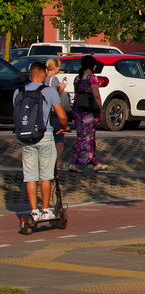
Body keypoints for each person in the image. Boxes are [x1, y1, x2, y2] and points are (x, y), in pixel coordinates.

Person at [14, 61, 69, 220]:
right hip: (45, 136)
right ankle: (45, 210)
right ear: (44, 74)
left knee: (30, 176)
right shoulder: (49, 91)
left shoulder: (19, 91)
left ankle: (34, 211)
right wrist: (64, 127)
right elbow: (62, 116)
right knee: (46, 175)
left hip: (26, 137)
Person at [67, 55, 106, 172]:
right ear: (92, 66)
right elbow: (96, 95)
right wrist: (100, 109)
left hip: (78, 110)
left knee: (89, 137)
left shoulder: (77, 78)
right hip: (89, 112)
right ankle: (73, 163)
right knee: (84, 138)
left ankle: (95, 162)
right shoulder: (92, 79)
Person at [44, 57, 71, 171]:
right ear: (55, 67)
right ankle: (58, 162)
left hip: (45, 111)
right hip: (54, 112)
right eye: (59, 66)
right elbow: (53, 94)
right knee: (59, 138)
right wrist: (62, 88)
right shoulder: (53, 79)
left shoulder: (43, 78)